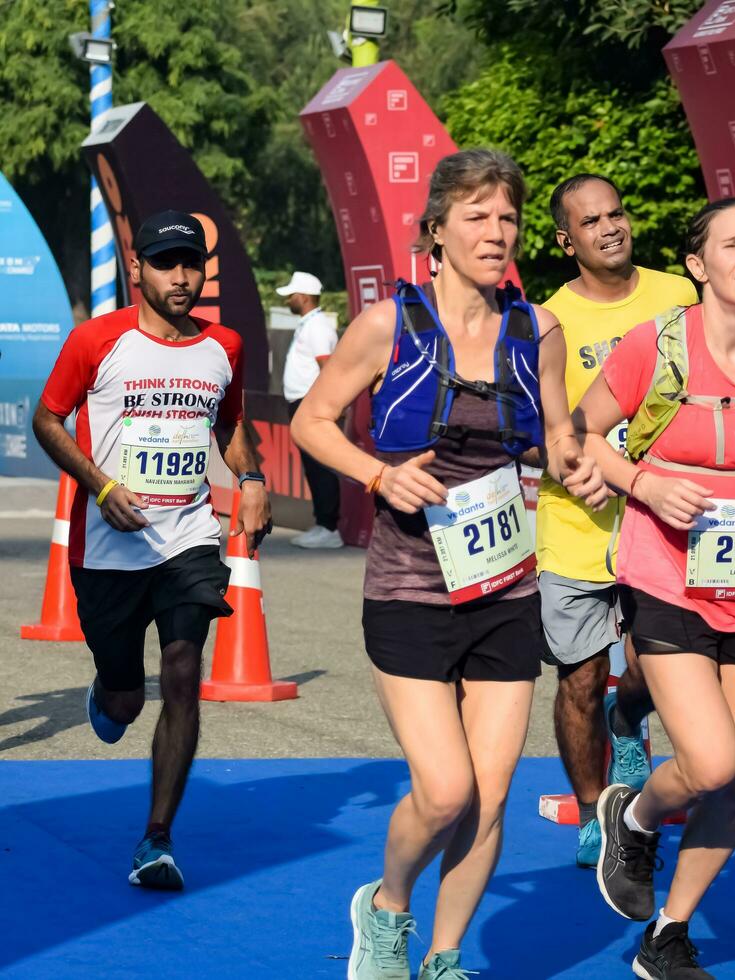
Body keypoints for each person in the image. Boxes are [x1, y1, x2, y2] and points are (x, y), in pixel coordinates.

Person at [291, 149, 606, 980]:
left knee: (493, 793)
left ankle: (443, 956)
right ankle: (387, 906)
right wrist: (377, 474)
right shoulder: (387, 324)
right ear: (436, 231)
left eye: (509, 218)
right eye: (478, 217)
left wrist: (586, 463)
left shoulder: (536, 329)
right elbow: (312, 422)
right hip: (407, 588)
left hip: (505, 585)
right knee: (443, 789)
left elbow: (558, 436)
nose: (498, 233)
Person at [576, 198, 735, 979]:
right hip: (667, 580)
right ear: (698, 264)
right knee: (712, 764)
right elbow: (583, 439)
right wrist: (644, 484)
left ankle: (669, 936)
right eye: (732, 244)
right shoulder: (653, 347)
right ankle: (638, 813)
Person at [33, 210, 272, 891]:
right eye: (167, 263)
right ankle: (107, 692)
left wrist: (250, 477)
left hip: (186, 537)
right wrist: (98, 484)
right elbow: (47, 419)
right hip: (108, 545)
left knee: (181, 668)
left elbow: (228, 423)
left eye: (191, 264)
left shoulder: (222, 346)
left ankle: (157, 839)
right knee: (125, 701)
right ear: (137, 269)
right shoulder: (97, 341)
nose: (182, 277)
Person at [536, 174, 698, 868]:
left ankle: (627, 717)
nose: (611, 228)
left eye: (617, 213)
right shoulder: (546, 321)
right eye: (591, 220)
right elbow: (534, 430)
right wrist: (578, 471)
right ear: (565, 240)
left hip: (662, 524)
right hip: (576, 525)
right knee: (578, 676)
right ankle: (596, 812)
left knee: (651, 667)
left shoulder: (681, 297)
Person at [277, 270, 343, 549]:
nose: (289, 299)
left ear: (303, 297)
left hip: (312, 404)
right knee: (313, 467)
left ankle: (329, 528)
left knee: (321, 466)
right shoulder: (309, 323)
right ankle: (322, 524)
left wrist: (325, 407)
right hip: (304, 403)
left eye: (292, 295)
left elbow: (328, 368)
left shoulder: (317, 327)